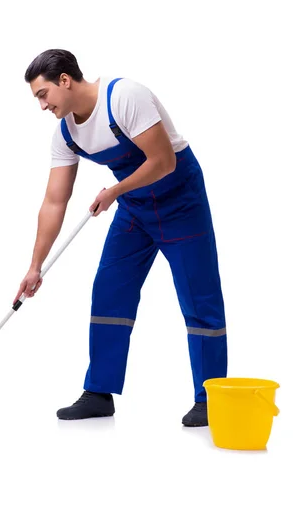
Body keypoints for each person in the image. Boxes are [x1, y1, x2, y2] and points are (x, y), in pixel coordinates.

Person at [13, 49, 227, 426]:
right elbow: (53, 201)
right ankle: (99, 392)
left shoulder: (124, 97)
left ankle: (210, 398)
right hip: (134, 209)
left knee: (199, 296)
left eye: (43, 95)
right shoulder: (66, 133)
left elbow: (164, 161)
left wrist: (114, 191)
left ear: (65, 80)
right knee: (110, 290)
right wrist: (35, 267)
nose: (42, 105)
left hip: (181, 202)